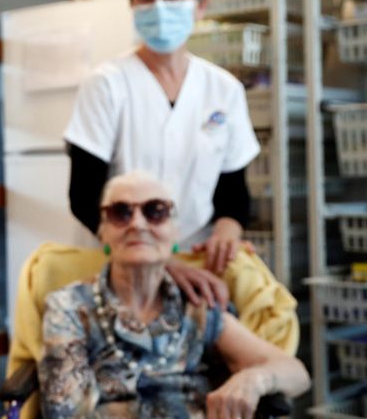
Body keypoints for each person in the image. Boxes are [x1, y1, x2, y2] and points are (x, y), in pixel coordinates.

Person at [38, 171, 310, 419]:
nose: (137, 224)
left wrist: (255, 379)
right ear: (103, 233)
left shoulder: (194, 305)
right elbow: (65, 412)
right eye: (121, 212)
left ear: (175, 234)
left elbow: (295, 373)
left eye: (155, 211)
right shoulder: (71, 308)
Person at [64, 0, 260, 278]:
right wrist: (152, 256)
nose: (159, 6)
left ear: (200, 5)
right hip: (120, 261)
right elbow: (84, 195)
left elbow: (233, 190)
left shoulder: (223, 90)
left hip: (197, 259)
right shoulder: (107, 84)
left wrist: (228, 229)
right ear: (133, 5)